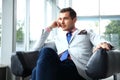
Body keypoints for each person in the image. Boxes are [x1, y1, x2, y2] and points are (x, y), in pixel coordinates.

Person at [32, 7, 112, 80]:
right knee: (45, 52)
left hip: (78, 70)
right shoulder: (58, 38)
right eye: (60, 19)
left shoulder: (87, 33)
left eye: (65, 18)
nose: (62, 22)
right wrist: (50, 28)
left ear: (74, 20)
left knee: (36, 71)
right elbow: (37, 48)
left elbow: (102, 41)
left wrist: (104, 44)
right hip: (61, 66)